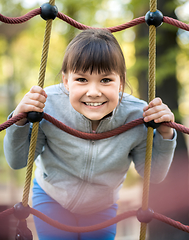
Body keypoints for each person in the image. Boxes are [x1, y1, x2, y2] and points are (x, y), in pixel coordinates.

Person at [4, 29, 176, 240]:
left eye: (105, 80)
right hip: (52, 198)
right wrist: (19, 119)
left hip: (101, 208)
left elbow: (154, 175)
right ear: (66, 81)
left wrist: (166, 133)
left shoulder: (137, 115)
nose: (93, 92)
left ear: (120, 82)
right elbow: (17, 160)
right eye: (82, 79)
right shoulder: (48, 106)